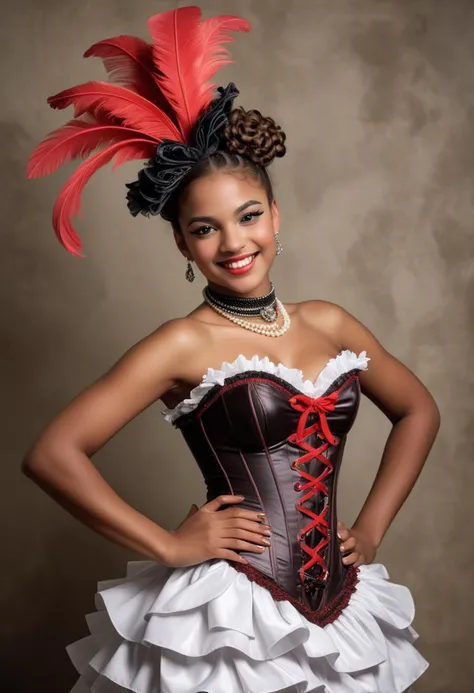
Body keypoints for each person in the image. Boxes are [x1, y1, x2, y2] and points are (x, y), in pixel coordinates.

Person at [23, 6, 440, 693]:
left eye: (248, 217)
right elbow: (52, 454)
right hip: (230, 616)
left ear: (275, 216)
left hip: (340, 609)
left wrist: (369, 527)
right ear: (183, 244)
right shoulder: (180, 342)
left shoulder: (331, 321)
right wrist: (167, 543)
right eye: (205, 228)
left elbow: (419, 410)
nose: (234, 243)